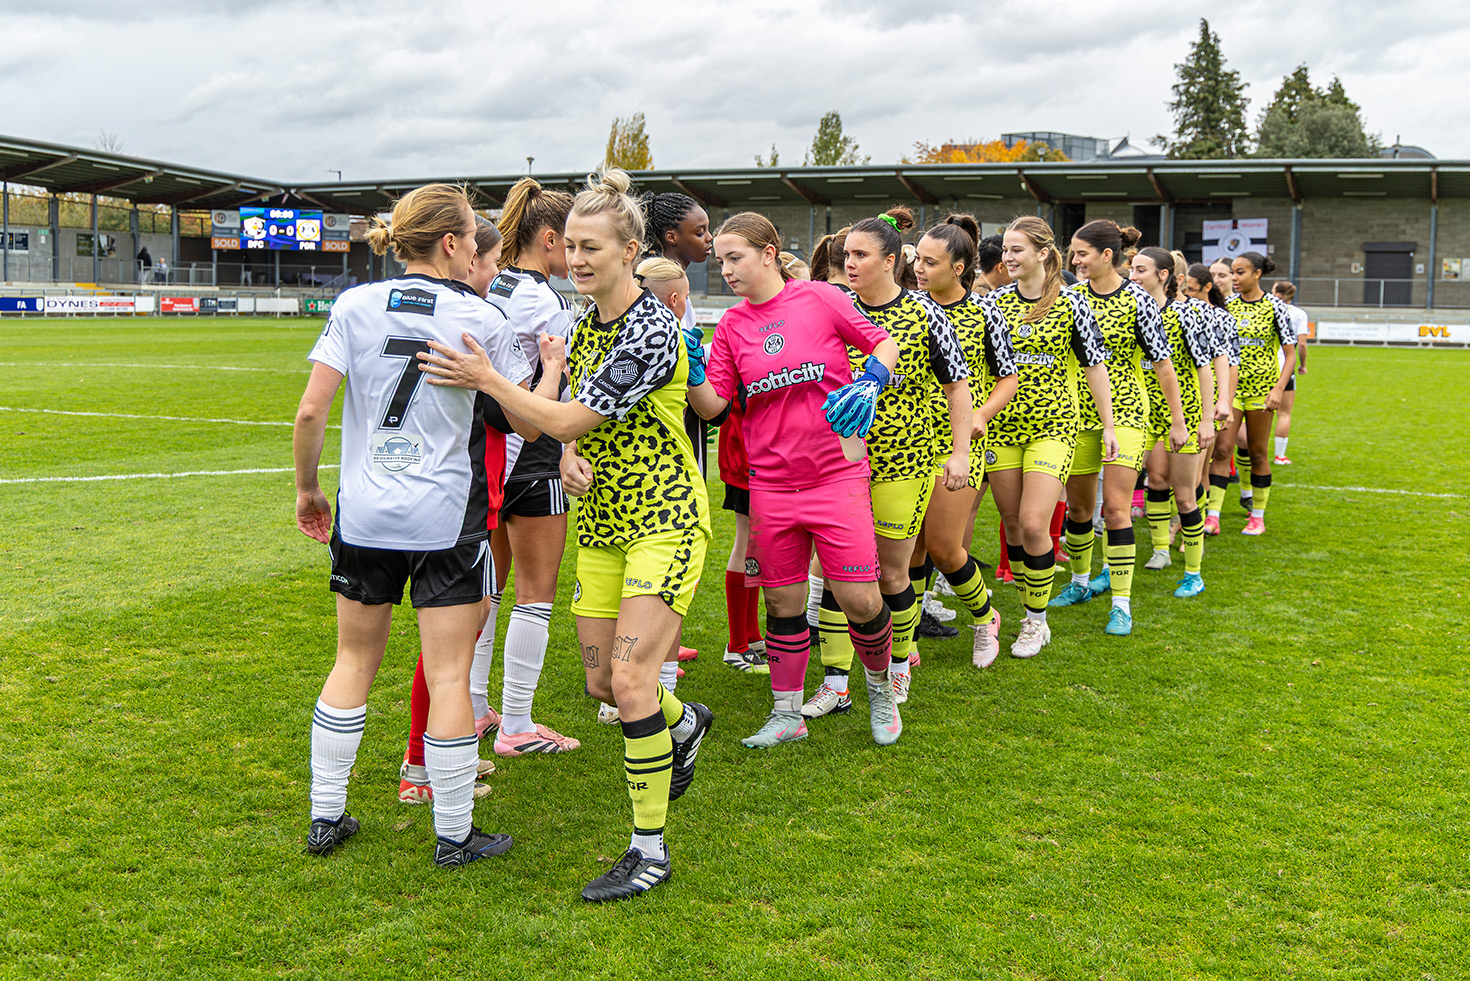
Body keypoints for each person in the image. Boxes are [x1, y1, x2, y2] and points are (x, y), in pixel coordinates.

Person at [418, 168, 714, 903]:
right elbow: (573, 428)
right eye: (571, 246)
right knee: (600, 681)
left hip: (666, 522)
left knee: (634, 680)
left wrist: (491, 379)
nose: (577, 259)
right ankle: (685, 726)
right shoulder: (585, 325)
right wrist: (574, 461)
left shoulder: (651, 327)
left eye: (591, 248)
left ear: (629, 250)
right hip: (605, 527)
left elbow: (568, 419)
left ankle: (649, 850)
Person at [294, 183, 532, 866]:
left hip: (365, 513)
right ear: (453, 243)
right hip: (443, 517)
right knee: (450, 672)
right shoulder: (480, 317)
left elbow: (312, 412)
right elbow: (517, 417)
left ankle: (326, 815)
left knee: (352, 661)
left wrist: (309, 489)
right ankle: (454, 834)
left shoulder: (353, 304)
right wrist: (546, 370)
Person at [686, 211, 905, 747]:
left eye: (735, 257)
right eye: (720, 261)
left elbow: (883, 343)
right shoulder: (733, 325)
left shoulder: (819, 298)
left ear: (768, 252)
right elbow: (714, 407)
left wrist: (874, 377)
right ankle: (787, 715)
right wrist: (691, 370)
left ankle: (879, 690)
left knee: (859, 599)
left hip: (836, 474)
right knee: (782, 604)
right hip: (772, 485)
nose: (727, 270)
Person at [813, 207, 970, 709]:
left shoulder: (926, 315)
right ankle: (835, 683)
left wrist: (960, 451)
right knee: (838, 569)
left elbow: (958, 387)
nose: (850, 262)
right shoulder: (831, 309)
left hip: (905, 461)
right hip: (839, 463)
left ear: (890, 261)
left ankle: (898, 664)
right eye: (847, 254)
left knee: (890, 574)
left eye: (861, 254)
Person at [398, 215, 512, 804]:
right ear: (464, 254)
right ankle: (425, 767)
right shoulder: (474, 324)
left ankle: (433, 759)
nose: (491, 274)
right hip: (466, 500)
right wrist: (546, 376)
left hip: (411, 492)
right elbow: (502, 418)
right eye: (490, 262)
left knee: (452, 637)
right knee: (454, 638)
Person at [469, 177, 584, 756]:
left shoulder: (491, 283)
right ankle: (517, 724)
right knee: (535, 592)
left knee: (486, 588)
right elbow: (560, 380)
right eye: (576, 244)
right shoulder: (546, 300)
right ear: (549, 239)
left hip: (488, 454)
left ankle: (472, 710)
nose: (580, 257)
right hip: (533, 450)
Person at [980, 216, 1113, 658]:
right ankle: (1026, 608)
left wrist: (1109, 425)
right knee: (1014, 526)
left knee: (1036, 523)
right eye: (1006, 250)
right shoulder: (994, 304)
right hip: (1002, 431)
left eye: (1018, 250)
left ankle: (1036, 623)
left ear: (1042, 253)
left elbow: (1096, 368)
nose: (1008, 258)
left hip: (1053, 427)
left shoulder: (1074, 305)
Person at [1048, 221, 1183, 638]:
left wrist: (1178, 420)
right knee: (1080, 510)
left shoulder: (1138, 301)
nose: (1073, 261)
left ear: (1107, 255)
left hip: (1125, 414)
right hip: (1075, 417)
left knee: (1117, 508)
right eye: (1072, 253)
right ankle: (1080, 584)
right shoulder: (1069, 298)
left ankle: (1122, 605)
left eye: (1081, 253)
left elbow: (1162, 364)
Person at [912, 214, 1018, 667]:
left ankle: (985, 616)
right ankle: (905, 640)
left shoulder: (984, 311)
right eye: (916, 258)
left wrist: (980, 415)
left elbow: (1007, 379)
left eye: (929, 262)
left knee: (943, 547)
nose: (918, 268)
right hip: (907, 440)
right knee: (907, 546)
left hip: (959, 445)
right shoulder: (910, 307)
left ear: (958, 268)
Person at [641, 191, 719, 675]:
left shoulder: (656, 280)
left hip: (667, 425)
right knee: (671, 539)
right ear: (671, 236)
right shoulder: (665, 287)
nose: (708, 239)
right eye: (700, 231)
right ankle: (657, 658)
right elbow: (697, 388)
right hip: (673, 428)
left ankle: (662, 641)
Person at [1131, 247, 1230, 597]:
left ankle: (1194, 572)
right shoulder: (1132, 313)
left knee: (1185, 495)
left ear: (1164, 276)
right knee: (1155, 480)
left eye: (1141, 269)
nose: (1133, 275)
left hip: (1183, 414)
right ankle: (1160, 549)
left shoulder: (1187, 314)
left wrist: (1207, 417)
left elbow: (1206, 365)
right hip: (1144, 413)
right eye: (1131, 269)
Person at [1217, 252, 1296, 535]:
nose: (1234, 278)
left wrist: (1278, 389)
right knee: (1223, 449)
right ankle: (1213, 516)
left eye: (1240, 273)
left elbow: (1290, 355)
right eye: (1233, 273)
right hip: (1232, 390)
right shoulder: (1227, 305)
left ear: (1257, 274)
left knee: (1258, 451)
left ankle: (1258, 517)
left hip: (1263, 391)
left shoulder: (1276, 307)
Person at [1270, 280, 1308, 464]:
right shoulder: (1299, 314)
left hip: (1264, 365)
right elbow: (1301, 343)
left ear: (1277, 293)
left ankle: (1246, 454)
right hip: (1285, 366)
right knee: (1284, 413)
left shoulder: (1266, 307)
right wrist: (1303, 364)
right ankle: (1280, 455)